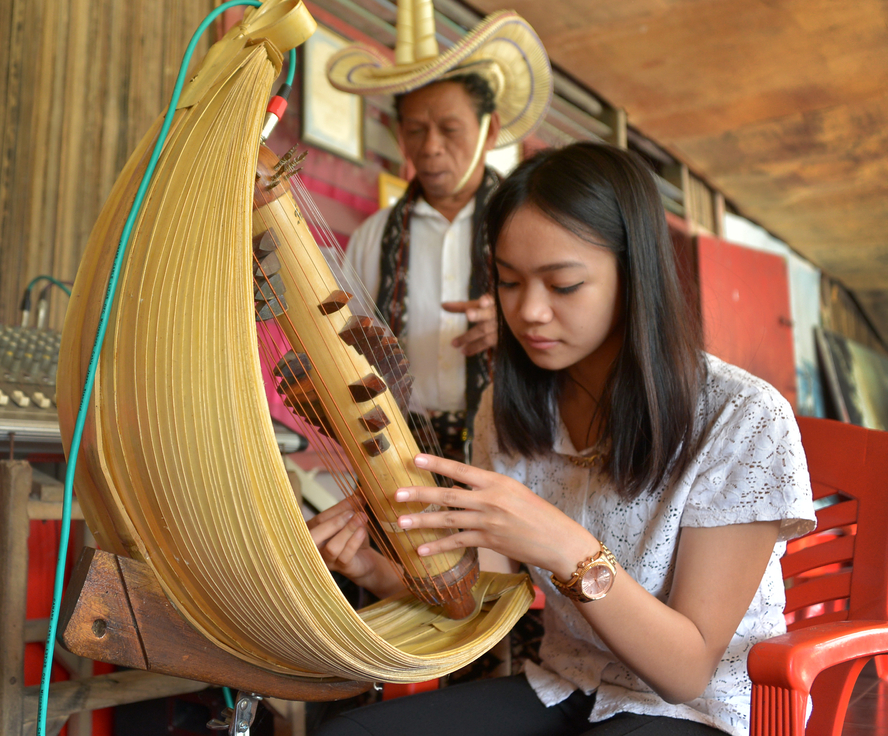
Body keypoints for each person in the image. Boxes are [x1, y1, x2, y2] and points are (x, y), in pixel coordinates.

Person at [308, 142, 816, 736]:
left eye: (565, 285)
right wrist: (370, 569)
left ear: (636, 276)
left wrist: (563, 546)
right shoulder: (514, 405)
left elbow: (687, 671)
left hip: (696, 711)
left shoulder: (742, 417)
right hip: (567, 686)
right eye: (508, 282)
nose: (530, 313)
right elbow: (482, 597)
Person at [327, 0, 552, 460]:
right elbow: (341, 348)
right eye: (415, 130)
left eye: (449, 129)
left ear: (489, 132)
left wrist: (517, 329)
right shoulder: (374, 237)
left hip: (513, 451)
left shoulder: (532, 227)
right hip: (402, 455)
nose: (429, 149)